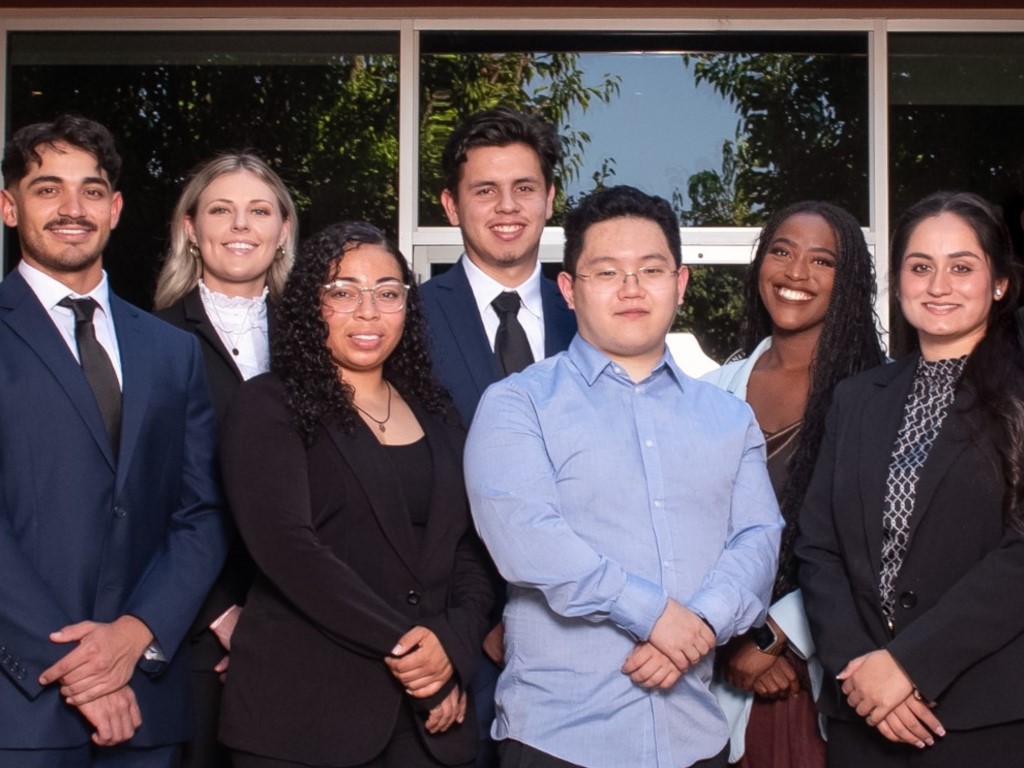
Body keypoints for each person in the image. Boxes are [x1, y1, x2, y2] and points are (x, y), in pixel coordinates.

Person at [465, 185, 783, 768]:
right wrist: (656, 615)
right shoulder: (517, 405)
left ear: (680, 284)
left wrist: (701, 626)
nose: (632, 288)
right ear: (568, 290)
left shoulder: (729, 417)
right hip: (559, 739)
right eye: (606, 271)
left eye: (651, 270)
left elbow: (758, 540)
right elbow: (527, 538)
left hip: (695, 736)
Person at [217, 221, 495, 768]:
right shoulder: (268, 406)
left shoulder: (440, 417)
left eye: (388, 293)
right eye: (342, 292)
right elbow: (290, 551)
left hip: (429, 729)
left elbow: (471, 549)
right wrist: (413, 650)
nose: (368, 312)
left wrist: (453, 648)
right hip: (304, 719)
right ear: (308, 306)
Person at [0, 114, 226, 767]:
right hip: (21, 707)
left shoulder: (170, 351)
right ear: (10, 208)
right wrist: (75, 666)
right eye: (48, 190)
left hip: (147, 700)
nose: (73, 208)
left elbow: (202, 511)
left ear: (116, 208)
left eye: (91, 190)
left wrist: (135, 634)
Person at [796, 191, 1024, 766]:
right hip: (862, 713)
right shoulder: (855, 400)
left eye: (962, 267)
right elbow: (818, 546)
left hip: (984, 717)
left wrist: (910, 665)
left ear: (999, 283)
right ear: (897, 283)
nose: (938, 285)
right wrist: (861, 672)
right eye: (920, 267)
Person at [419, 105, 577, 766]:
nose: (506, 206)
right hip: (448, 640)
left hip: (580, 636)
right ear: (453, 206)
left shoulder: (593, 313)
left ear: (548, 200)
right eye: (485, 190)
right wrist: (468, 627)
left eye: (524, 188)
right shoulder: (408, 319)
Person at [702, 201, 885, 766]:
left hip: (820, 681)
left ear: (849, 280)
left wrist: (777, 634)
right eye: (782, 251)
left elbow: (879, 547)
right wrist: (734, 639)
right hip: (710, 675)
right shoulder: (709, 391)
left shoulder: (879, 397)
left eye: (822, 260)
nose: (796, 273)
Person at [152, 152, 297, 768]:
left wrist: (275, 618)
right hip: (197, 629)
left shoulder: (321, 339)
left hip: (305, 625)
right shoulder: (149, 341)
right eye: (221, 210)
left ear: (283, 230)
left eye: (259, 211)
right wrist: (221, 613)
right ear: (190, 228)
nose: (241, 226)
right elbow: (150, 497)